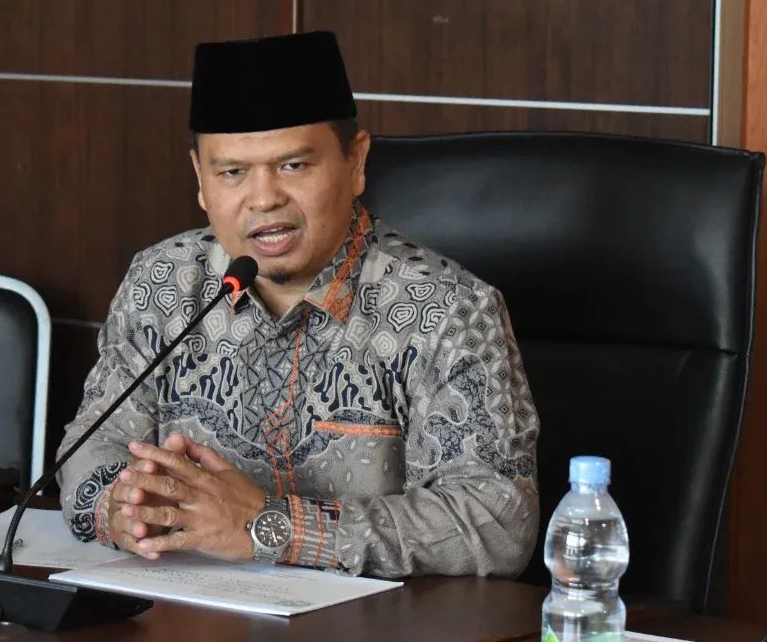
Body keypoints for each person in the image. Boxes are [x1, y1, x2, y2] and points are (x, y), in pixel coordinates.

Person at [56, 31, 539, 577]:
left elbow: (497, 524)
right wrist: (119, 509)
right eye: (232, 172)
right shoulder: (162, 280)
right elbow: (94, 443)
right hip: (188, 604)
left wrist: (271, 526)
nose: (264, 199)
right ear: (200, 179)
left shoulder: (449, 309)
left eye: (293, 166)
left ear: (355, 162)